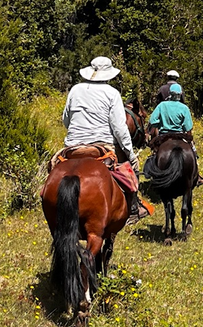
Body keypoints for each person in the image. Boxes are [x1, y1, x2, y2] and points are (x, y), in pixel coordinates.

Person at [62, 55, 149, 221]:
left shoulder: (75, 90)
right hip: (102, 146)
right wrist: (130, 154)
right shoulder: (112, 93)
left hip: (73, 146)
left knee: (53, 165)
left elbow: (66, 120)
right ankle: (133, 208)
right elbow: (119, 128)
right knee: (131, 170)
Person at [148, 83, 203, 185]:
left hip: (164, 135)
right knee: (193, 153)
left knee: (154, 153)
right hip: (179, 135)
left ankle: (152, 173)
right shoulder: (184, 108)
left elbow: (152, 120)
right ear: (180, 94)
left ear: (170, 94)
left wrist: (160, 124)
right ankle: (197, 176)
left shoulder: (161, 105)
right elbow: (188, 127)